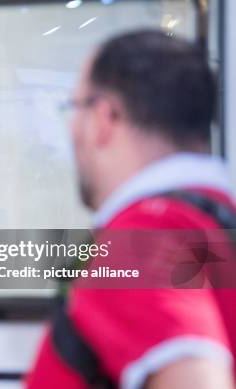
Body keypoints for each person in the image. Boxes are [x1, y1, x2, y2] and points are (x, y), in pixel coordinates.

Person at [26, 30, 235, 388]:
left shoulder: (139, 242)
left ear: (103, 119)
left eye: (74, 107)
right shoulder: (214, 222)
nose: (72, 127)